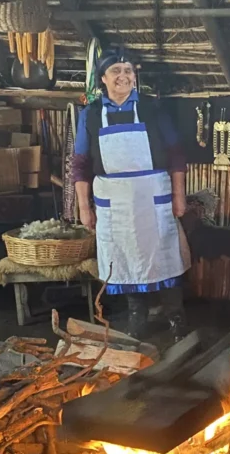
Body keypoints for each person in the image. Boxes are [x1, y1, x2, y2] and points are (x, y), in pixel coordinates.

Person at [72, 47, 189, 340]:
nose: (123, 77)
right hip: (113, 200)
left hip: (153, 196)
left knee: (164, 254)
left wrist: (178, 196)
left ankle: (176, 317)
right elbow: (81, 164)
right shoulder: (91, 113)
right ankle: (137, 317)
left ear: (135, 77)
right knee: (123, 258)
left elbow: (176, 155)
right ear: (103, 79)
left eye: (128, 71)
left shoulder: (153, 108)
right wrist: (84, 207)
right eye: (115, 71)